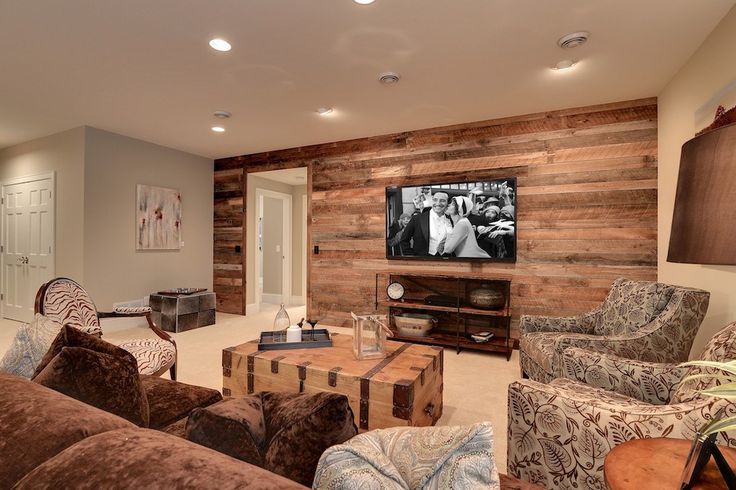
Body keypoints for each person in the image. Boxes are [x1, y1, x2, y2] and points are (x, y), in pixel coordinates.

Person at [399, 192, 452, 256]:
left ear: (447, 204)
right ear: (432, 200)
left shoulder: (451, 220)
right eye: (435, 200)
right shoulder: (417, 219)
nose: (438, 203)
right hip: (422, 262)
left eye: (442, 201)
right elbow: (404, 240)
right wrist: (412, 258)